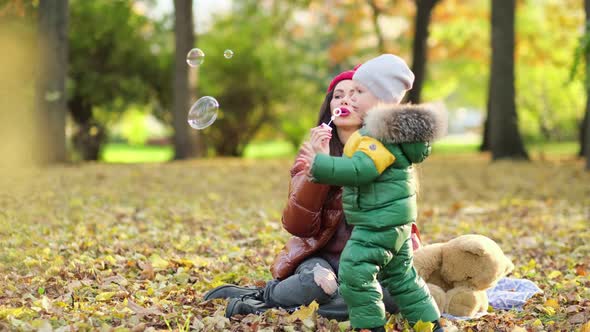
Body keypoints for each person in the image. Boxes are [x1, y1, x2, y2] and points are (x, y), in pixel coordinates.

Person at [202, 63, 424, 322]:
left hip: (368, 261)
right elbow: (298, 225)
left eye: (355, 94)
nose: (346, 100)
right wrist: (320, 168)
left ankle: (271, 304)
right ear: (330, 106)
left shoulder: (388, 153)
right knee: (319, 285)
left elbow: (399, 213)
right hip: (320, 260)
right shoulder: (310, 154)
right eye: (338, 96)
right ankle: (271, 295)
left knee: (391, 296)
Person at [299, 54, 444, 331]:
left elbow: (360, 170)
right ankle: (432, 325)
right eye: (347, 92)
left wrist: (320, 160)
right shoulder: (390, 130)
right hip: (393, 222)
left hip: (378, 224)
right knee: (401, 277)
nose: (350, 98)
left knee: (353, 273)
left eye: (359, 91)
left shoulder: (377, 135)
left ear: (383, 97)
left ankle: (369, 326)